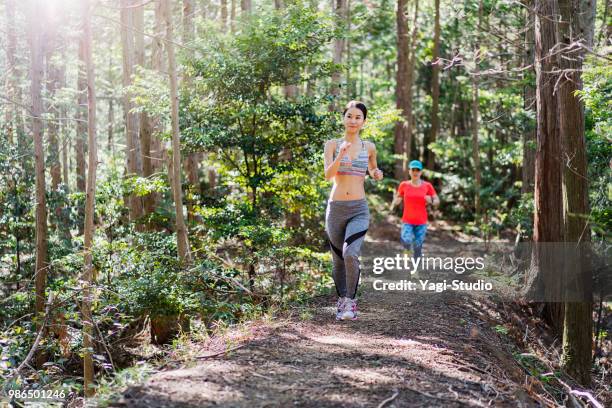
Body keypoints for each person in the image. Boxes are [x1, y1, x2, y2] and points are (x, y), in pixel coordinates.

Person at [324, 101, 383, 320]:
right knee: (338, 258)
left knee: (350, 253)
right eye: (349, 116)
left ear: (364, 122)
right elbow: (328, 175)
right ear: (343, 118)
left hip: (359, 208)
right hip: (336, 209)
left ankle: (351, 302)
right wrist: (341, 154)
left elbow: (373, 169)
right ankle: (341, 302)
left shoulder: (369, 147)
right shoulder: (332, 144)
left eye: (358, 117)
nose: (353, 120)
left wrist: (377, 174)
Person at [391, 160, 439, 260]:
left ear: (421, 172)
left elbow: (437, 200)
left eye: (418, 170)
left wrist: (431, 201)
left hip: (421, 222)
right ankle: (407, 256)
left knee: (418, 247)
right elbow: (397, 199)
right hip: (407, 220)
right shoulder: (404, 185)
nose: (415, 172)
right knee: (406, 240)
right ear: (409, 171)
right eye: (413, 170)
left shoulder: (427, 186)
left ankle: (416, 267)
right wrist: (396, 201)